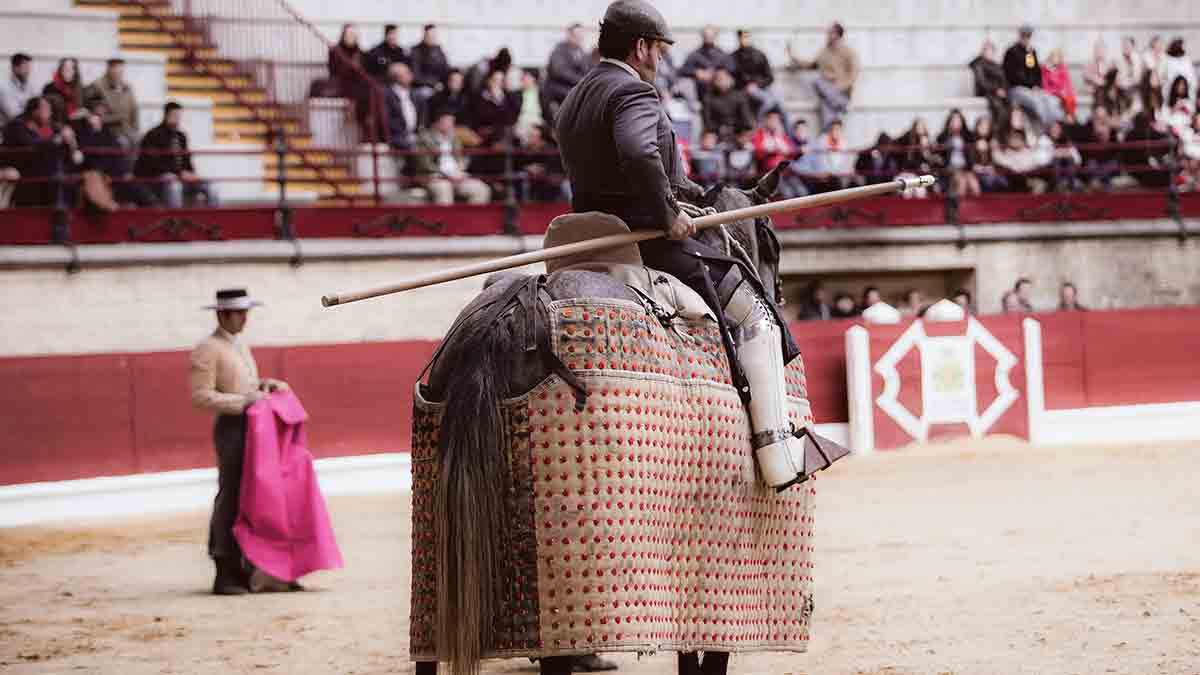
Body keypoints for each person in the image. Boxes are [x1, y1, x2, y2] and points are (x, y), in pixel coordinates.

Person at [556, 0, 812, 582]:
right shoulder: (633, 94)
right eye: (660, 51)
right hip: (647, 241)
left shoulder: (574, 97)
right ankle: (777, 454)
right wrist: (667, 212)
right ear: (643, 46)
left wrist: (695, 194)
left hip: (588, 240)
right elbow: (640, 154)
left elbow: (652, 168)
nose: (661, 63)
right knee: (757, 314)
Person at [189, 288, 290, 595]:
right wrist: (245, 402)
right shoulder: (207, 349)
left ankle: (246, 568)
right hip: (232, 428)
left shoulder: (237, 345)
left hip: (253, 427)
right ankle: (224, 568)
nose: (245, 318)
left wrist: (264, 385)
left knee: (250, 496)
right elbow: (201, 397)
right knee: (231, 495)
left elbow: (242, 385)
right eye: (240, 313)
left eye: (247, 312)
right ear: (222, 315)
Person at [75, 95, 157, 208]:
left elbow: (118, 155)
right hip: (98, 176)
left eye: (102, 113)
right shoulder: (83, 133)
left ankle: (154, 210)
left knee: (139, 189)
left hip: (115, 175)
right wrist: (93, 130)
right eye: (97, 113)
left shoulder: (108, 133)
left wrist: (126, 172)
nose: (100, 116)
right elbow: (86, 158)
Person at [134, 101, 217, 208]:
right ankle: (175, 221)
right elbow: (153, 164)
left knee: (211, 186)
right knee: (174, 185)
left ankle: (213, 220)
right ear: (166, 115)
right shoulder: (153, 135)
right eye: (175, 115)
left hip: (180, 176)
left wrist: (191, 173)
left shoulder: (181, 136)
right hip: (158, 177)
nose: (178, 119)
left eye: (179, 116)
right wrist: (179, 173)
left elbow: (187, 159)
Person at [2, 96, 80, 207]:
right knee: (56, 173)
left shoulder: (48, 127)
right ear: (35, 111)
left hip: (40, 168)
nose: (50, 113)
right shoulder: (16, 125)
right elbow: (31, 145)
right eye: (46, 110)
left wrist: (70, 140)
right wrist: (58, 139)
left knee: (67, 172)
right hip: (22, 169)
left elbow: (50, 143)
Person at [786, 22, 859, 130]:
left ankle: (840, 104)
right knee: (828, 122)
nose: (828, 35)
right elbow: (812, 65)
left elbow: (853, 73)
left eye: (831, 32)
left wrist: (840, 86)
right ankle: (839, 108)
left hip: (841, 92)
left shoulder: (848, 52)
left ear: (838, 35)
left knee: (818, 83)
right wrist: (794, 59)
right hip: (828, 93)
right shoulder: (824, 51)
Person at [413, 110, 491, 205]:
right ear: (438, 122)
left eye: (452, 122)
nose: (451, 125)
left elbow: (459, 159)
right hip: (435, 175)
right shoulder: (424, 138)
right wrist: (446, 175)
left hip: (455, 175)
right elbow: (425, 164)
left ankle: (469, 219)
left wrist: (460, 171)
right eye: (448, 121)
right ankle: (444, 220)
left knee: (481, 189)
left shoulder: (454, 138)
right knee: (444, 190)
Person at [1002, 25, 1062, 129]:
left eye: (1028, 36)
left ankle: (1058, 128)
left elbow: (1035, 71)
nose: (1026, 39)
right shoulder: (1011, 52)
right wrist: (1030, 85)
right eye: (1024, 36)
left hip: (1031, 89)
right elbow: (1012, 75)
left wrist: (1036, 85)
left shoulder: (1030, 52)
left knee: (1052, 100)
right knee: (1037, 102)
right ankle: (1049, 129)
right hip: (1016, 89)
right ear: (1020, 36)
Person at [83, 58, 139, 149]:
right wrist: (113, 118)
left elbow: (134, 110)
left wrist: (135, 129)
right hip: (110, 132)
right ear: (109, 68)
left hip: (127, 130)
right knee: (123, 144)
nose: (119, 73)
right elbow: (91, 112)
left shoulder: (127, 87)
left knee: (139, 141)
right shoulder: (97, 86)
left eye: (121, 70)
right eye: (115, 68)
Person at [543, 23, 591, 124]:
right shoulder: (559, 50)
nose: (579, 38)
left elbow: (589, 70)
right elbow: (559, 71)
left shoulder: (582, 52)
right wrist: (581, 80)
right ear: (569, 35)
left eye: (581, 35)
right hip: (560, 91)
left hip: (576, 90)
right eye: (576, 35)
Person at [732, 29, 782, 122]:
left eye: (746, 37)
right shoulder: (734, 57)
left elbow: (770, 77)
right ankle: (759, 125)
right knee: (768, 101)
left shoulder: (759, 55)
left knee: (779, 102)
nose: (744, 40)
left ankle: (788, 132)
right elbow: (734, 78)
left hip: (761, 88)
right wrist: (747, 86)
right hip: (744, 90)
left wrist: (757, 85)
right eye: (742, 37)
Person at [678, 25, 734, 103]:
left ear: (715, 36)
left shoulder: (722, 54)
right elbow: (683, 70)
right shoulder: (695, 54)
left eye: (710, 36)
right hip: (700, 86)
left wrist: (719, 73)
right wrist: (696, 72)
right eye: (706, 35)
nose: (708, 38)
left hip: (718, 85)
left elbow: (732, 68)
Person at [514, 123, 569, 202]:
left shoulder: (551, 150)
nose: (529, 139)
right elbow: (516, 165)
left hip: (549, 180)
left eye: (532, 136)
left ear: (542, 139)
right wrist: (528, 168)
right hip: (530, 179)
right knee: (521, 178)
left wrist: (543, 170)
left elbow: (557, 168)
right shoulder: (522, 151)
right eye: (529, 136)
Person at [702, 67, 755, 143]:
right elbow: (707, 120)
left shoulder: (739, 96)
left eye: (724, 78)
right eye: (718, 79)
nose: (722, 82)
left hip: (737, 132)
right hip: (716, 132)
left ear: (730, 79)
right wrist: (713, 132)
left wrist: (744, 133)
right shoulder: (708, 98)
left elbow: (746, 118)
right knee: (708, 140)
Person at [937, 108, 979, 197]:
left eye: (958, 119)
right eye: (953, 120)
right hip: (950, 169)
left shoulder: (968, 136)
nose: (956, 122)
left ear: (962, 121)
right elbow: (940, 156)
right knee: (961, 182)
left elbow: (972, 156)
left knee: (974, 184)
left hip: (966, 168)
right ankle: (959, 208)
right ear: (949, 122)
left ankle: (977, 209)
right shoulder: (942, 137)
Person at [383, 62, 421, 155]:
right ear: (396, 77)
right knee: (414, 148)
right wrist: (405, 134)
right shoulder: (387, 95)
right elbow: (388, 120)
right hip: (397, 136)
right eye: (407, 73)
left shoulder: (414, 94)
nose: (411, 75)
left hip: (413, 135)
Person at [410, 24, 450, 105]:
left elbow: (446, 69)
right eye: (429, 35)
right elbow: (416, 76)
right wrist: (434, 84)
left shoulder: (439, 50)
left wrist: (445, 83)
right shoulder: (416, 51)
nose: (432, 38)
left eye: (434, 35)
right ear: (424, 35)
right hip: (422, 86)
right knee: (426, 94)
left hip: (440, 85)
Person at [969, 40, 1009, 122]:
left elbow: (1004, 80)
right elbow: (982, 82)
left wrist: (1004, 90)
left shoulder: (996, 65)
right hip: (987, 92)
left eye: (991, 51)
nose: (989, 53)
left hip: (999, 93)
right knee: (998, 107)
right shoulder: (978, 64)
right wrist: (996, 90)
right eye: (987, 50)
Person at [42, 58, 85, 126]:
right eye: (65, 68)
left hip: (77, 123)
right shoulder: (50, 88)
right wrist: (69, 116)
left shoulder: (80, 89)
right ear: (60, 70)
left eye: (72, 68)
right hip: (57, 124)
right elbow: (47, 114)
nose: (68, 70)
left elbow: (82, 108)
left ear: (75, 71)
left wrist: (85, 113)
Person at [327, 24, 364, 98]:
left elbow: (362, 71)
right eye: (349, 34)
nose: (351, 37)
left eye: (353, 34)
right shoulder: (335, 51)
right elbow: (334, 71)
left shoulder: (359, 52)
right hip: (340, 84)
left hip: (357, 84)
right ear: (343, 36)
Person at [0, 53, 34, 130]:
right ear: (15, 68)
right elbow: (13, 114)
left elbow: (36, 105)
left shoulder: (29, 85)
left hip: (25, 126)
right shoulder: (3, 86)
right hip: (8, 128)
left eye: (29, 68)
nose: (28, 71)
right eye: (25, 67)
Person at [1041, 48, 1077, 118]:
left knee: (1069, 99)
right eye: (1054, 56)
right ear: (1050, 57)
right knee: (1051, 101)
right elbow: (1045, 86)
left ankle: (1070, 117)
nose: (1056, 59)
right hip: (1051, 93)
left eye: (1058, 57)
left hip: (1062, 93)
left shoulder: (1063, 68)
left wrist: (1067, 92)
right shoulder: (1044, 69)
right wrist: (1056, 92)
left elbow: (1067, 83)